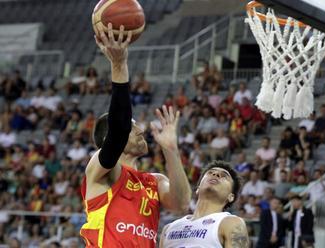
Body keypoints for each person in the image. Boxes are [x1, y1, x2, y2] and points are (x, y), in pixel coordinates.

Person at [80, 24, 191, 247]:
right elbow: (119, 129)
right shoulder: (101, 171)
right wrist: (119, 65)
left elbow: (181, 204)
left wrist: (171, 150)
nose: (141, 130)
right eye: (133, 127)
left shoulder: (155, 181)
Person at [160, 161, 249, 248]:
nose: (215, 174)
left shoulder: (231, 223)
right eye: (210, 172)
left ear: (231, 197)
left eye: (224, 176)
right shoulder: (169, 228)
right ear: (198, 189)